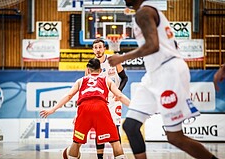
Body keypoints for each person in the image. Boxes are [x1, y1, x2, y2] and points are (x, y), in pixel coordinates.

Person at [107, 0, 219, 159]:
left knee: (175, 137)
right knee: (130, 126)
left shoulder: (144, 12)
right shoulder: (143, 13)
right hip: (154, 73)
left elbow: (154, 45)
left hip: (168, 71)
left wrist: (123, 57)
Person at [40, 58, 130, 159]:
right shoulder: (106, 80)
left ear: (88, 69)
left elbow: (68, 95)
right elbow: (121, 96)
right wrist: (135, 108)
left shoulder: (81, 80)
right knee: (115, 141)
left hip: (84, 109)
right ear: (100, 70)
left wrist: (52, 109)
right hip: (101, 108)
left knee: (77, 142)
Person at [87, 39, 128, 159]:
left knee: (115, 128)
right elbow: (87, 83)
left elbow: (124, 78)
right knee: (99, 129)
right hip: (99, 100)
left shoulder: (113, 61)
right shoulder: (90, 65)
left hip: (114, 100)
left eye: (100, 47)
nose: (98, 50)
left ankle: (119, 156)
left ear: (104, 48)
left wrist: (118, 92)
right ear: (93, 49)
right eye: (95, 47)